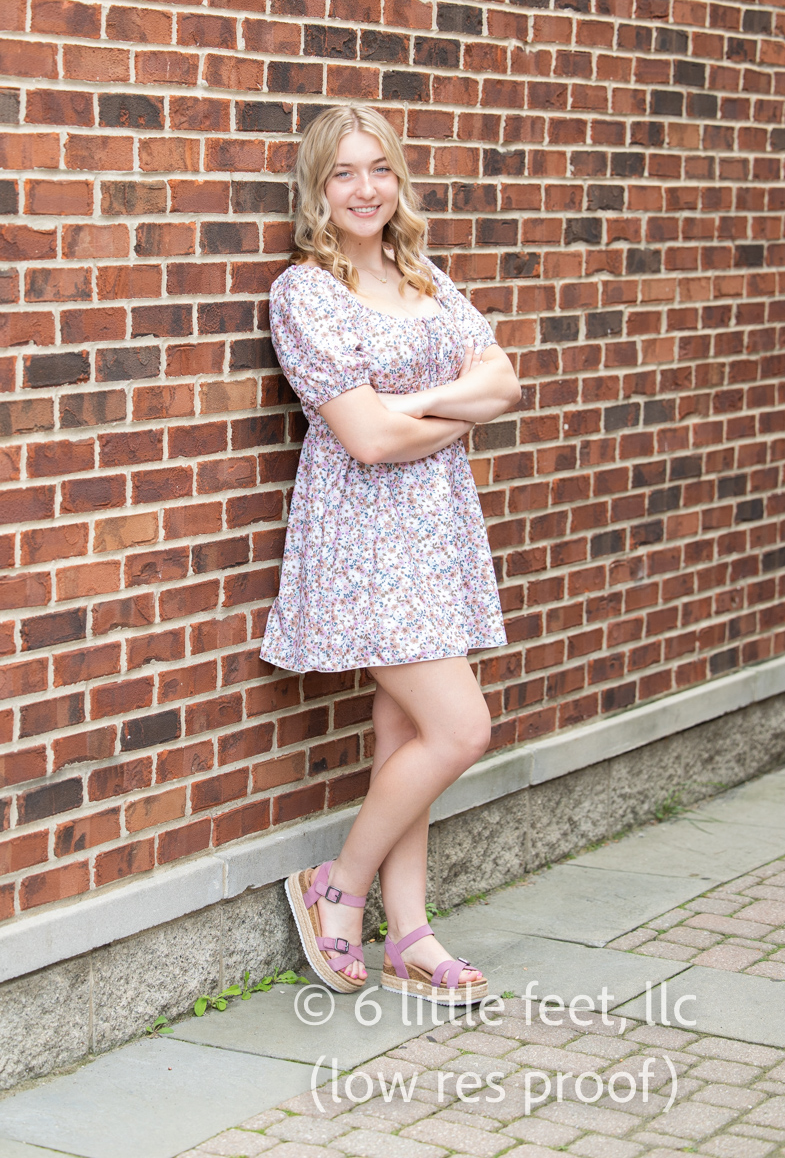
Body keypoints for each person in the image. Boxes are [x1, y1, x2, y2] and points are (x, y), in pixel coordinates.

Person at [259, 104, 521, 1004]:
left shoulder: (422, 274)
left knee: (407, 735)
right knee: (461, 730)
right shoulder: (303, 293)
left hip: (436, 528)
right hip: (365, 537)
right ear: (317, 189)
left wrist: (405, 406)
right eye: (343, 173)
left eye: (378, 169)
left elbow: (504, 381)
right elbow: (364, 442)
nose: (364, 189)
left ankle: (408, 936)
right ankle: (336, 886)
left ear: (397, 179)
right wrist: (451, 407)